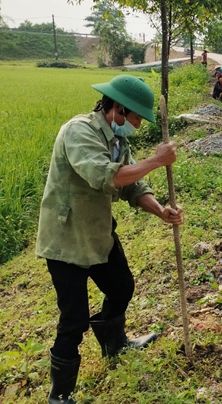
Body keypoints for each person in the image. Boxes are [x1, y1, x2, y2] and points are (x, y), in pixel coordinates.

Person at [36, 75, 183, 403]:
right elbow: (106, 175)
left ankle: (114, 344)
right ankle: (59, 396)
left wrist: (160, 211)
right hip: (66, 239)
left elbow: (131, 185)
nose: (138, 126)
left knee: (121, 287)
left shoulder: (119, 141)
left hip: (98, 231)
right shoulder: (78, 132)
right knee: (73, 320)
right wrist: (157, 160)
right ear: (118, 108)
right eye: (136, 119)